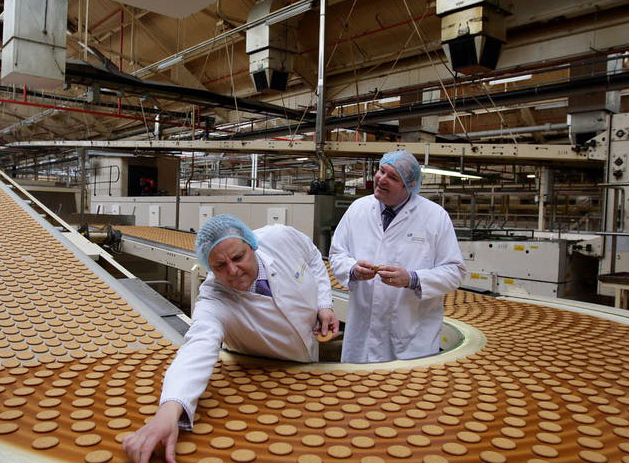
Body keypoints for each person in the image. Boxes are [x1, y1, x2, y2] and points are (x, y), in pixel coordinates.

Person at [122, 214, 339, 463]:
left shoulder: (280, 237)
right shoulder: (215, 298)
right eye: (220, 266)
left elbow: (312, 257)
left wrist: (324, 304)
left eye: (238, 258)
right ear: (209, 267)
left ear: (252, 244)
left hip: (310, 364)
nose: (233, 271)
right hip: (266, 379)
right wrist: (169, 411)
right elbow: (197, 348)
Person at [330, 149, 465, 363]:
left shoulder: (435, 217)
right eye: (381, 171)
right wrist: (353, 270)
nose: (381, 179)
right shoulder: (358, 209)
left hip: (411, 337)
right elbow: (337, 254)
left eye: (392, 177)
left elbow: (454, 271)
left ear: (409, 186)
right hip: (362, 336)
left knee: (405, 394)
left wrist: (412, 279)